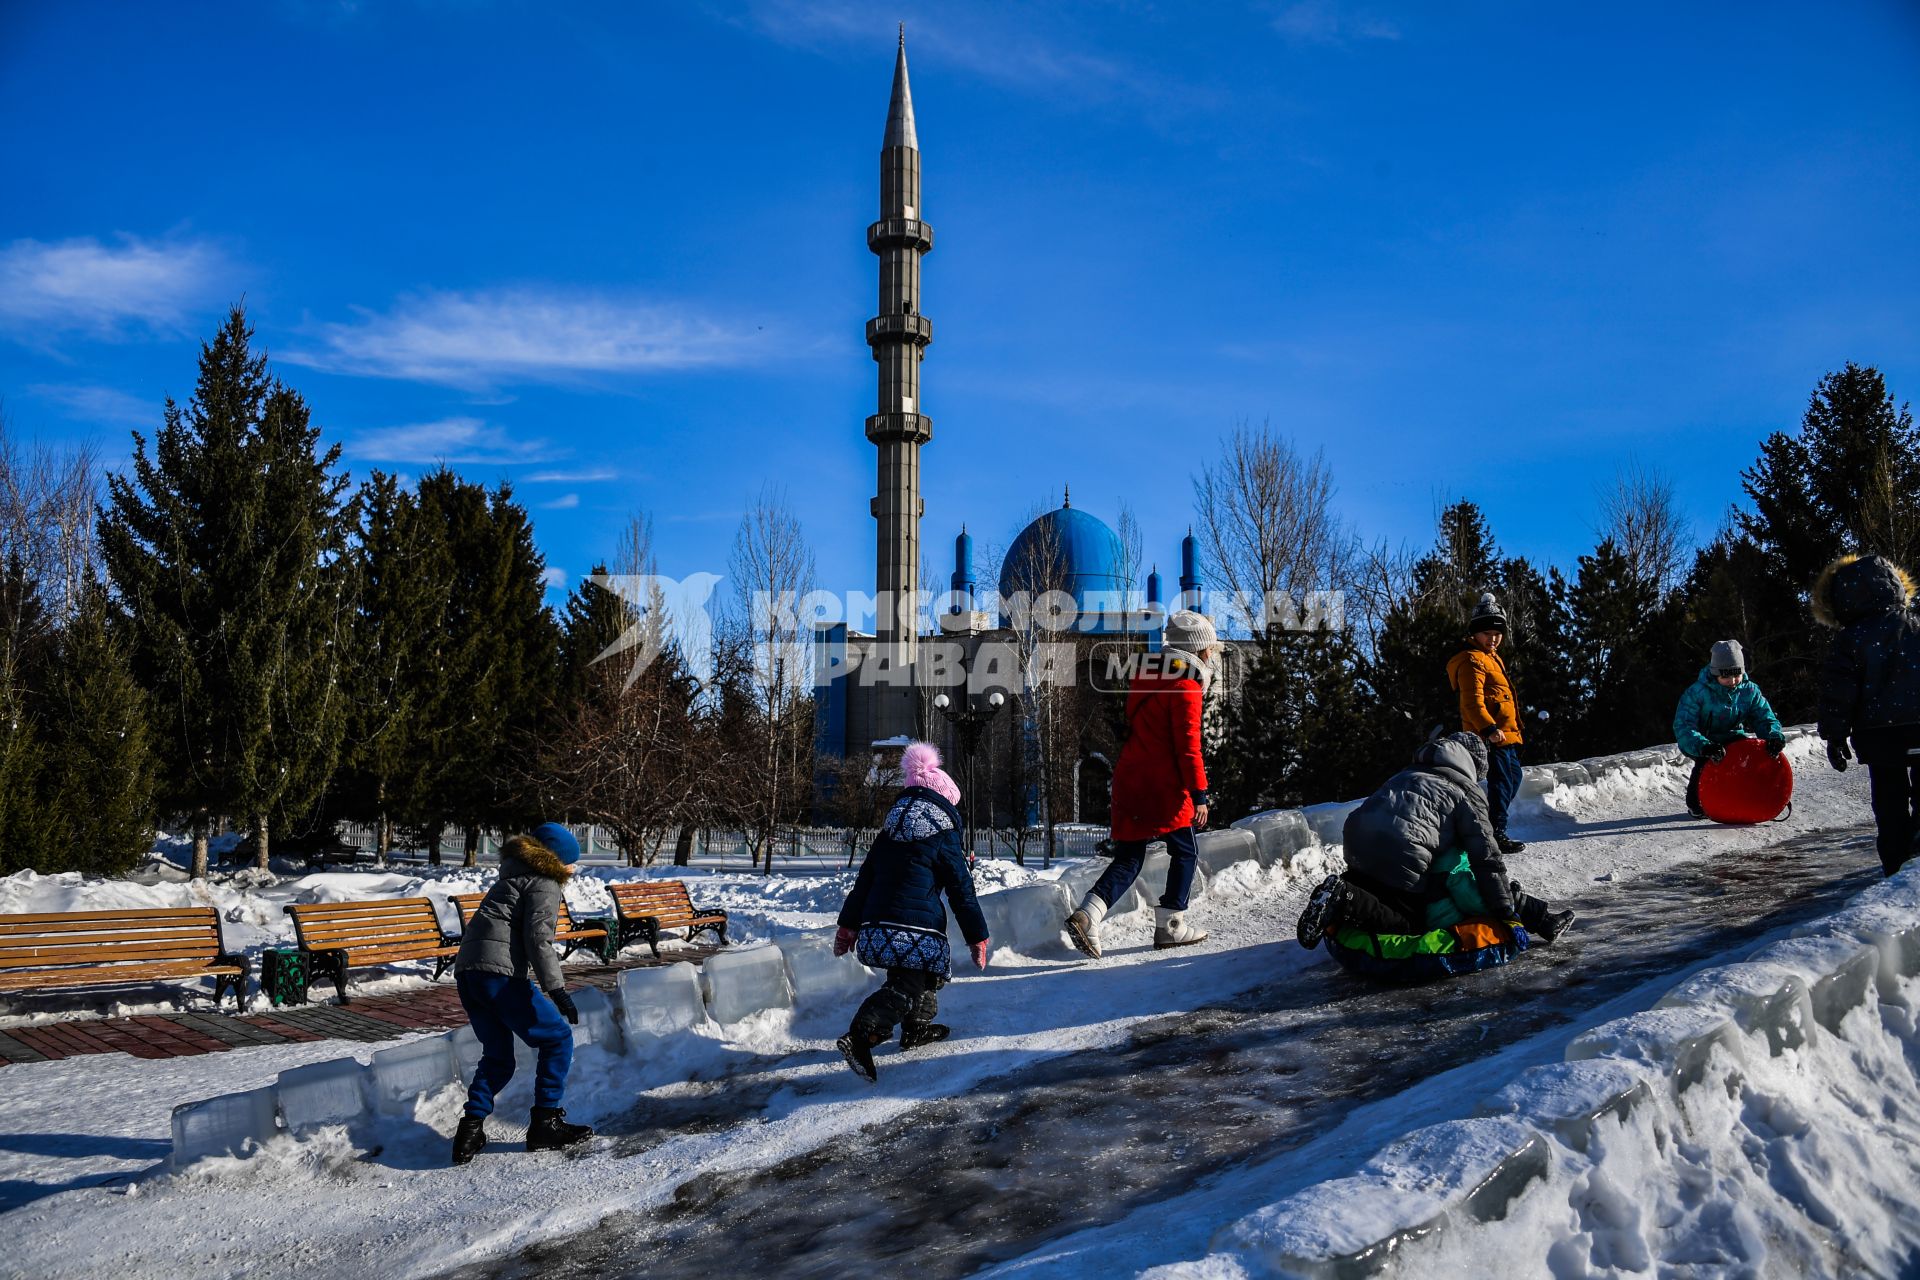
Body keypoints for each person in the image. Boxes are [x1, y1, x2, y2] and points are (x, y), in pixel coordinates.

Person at [1297, 731, 1574, 949]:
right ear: (1474, 767)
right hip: (1401, 851)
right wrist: (1506, 913)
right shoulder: (1465, 790)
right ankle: (1345, 897)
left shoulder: (1407, 772)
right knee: (1411, 921)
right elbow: (1486, 859)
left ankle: (1345, 888)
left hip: (1356, 842)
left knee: (1380, 884)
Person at [1065, 609, 1217, 959]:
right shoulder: (1186, 686)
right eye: (1209, 648)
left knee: (1130, 856)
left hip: (1130, 778)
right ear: (1197, 651)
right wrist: (1200, 794)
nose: (1212, 654)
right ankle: (1171, 926)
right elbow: (1188, 747)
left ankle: (1089, 914)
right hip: (1162, 784)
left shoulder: (1147, 678)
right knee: (1186, 851)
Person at [834, 742, 990, 1082]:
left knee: (922, 977)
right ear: (944, 803)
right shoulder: (945, 835)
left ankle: (915, 1029)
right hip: (916, 926)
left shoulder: (888, 833)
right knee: (908, 983)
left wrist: (848, 927)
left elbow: (864, 881)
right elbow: (962, 890)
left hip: (877, 924)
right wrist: (977, 936)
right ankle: (862, 1033)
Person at [450, 822, 593, 1165]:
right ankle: (545, 1123)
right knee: (557, 1039)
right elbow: (538, 941)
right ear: (556, 860)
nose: (574, 869)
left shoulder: (511, 877)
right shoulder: (544, 883)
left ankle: (469, 1131)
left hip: (469, 975)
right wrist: (556, 990)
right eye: (572, 861)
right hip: (499, 976)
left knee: (498, 1057)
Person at [1814, 553, 1920, 877]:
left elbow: (1839, 690)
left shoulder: (1850, 638)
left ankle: (1895, 866)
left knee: (1889, 803)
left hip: (1879, 734)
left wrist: (1835, 734)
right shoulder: (1917, 624)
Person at [1446, 593, 1527, 855]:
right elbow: (1472, 702)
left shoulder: (1492, 658)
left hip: (1507, 734)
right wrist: (1489, 730)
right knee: (1502, 782)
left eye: (1498, 633)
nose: (1493, 638)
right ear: (1476, 634)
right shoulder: (1472, 660)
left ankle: (1486, 826)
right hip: (1491, 736)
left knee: (1514, 778)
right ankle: (1495, 834)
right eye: (1487, 633)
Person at [1672, 639, 1787, 818]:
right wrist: (1703, 746)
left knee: (1752, 757)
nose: (1732, 681)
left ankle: (1755, 795)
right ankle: (1697, 803)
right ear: (1715, 674)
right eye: (1726, 676)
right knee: (1705, 764)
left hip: (1733, 737)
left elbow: (1764, 717)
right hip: (1703, 741)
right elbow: (1684, 726)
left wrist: (1773, 736)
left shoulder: (1749, 691)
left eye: (1737, 675)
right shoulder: (1697, 693)